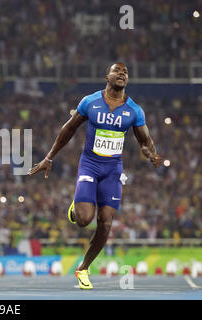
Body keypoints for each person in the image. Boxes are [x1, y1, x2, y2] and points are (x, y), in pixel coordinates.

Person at [28, 63, 162, 289]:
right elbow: (68, 129)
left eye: (125, 72)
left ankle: (83, 268)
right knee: (83, 220)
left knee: (106, 222)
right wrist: (49, 158)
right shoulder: (90, 102)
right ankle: (76, 206)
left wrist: (152, 154)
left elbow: (144, 141)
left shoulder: (134, 110)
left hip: (113, 170)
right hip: (90, 165)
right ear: (106, 76)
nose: (121, 74)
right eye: (117, 71)